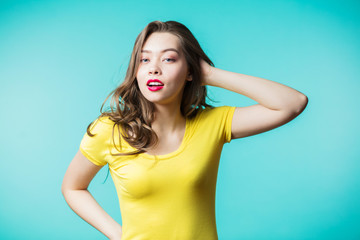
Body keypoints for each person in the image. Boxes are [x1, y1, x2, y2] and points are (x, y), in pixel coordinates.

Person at [61, 20, 308, 240]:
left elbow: (292, 103)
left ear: (190, 70)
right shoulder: (109, 130)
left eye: (168, 59)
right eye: (144, 59)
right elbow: (72, 187)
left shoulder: (213, 123)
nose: (153, 68)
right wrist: (118, 235)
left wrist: (209, 73)